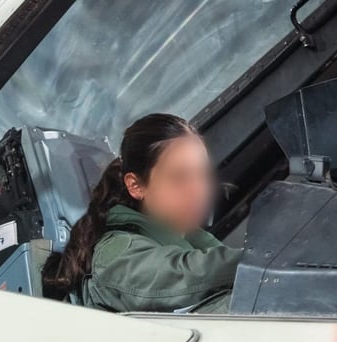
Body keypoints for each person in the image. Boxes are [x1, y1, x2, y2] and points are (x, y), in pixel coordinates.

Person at [42, 113, 241, 313]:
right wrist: (255, 262)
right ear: (136, 186)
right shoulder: (116, 254)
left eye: (202, 175)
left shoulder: (192, 241)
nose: (198, 190)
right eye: (179, 178)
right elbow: (179, 275)